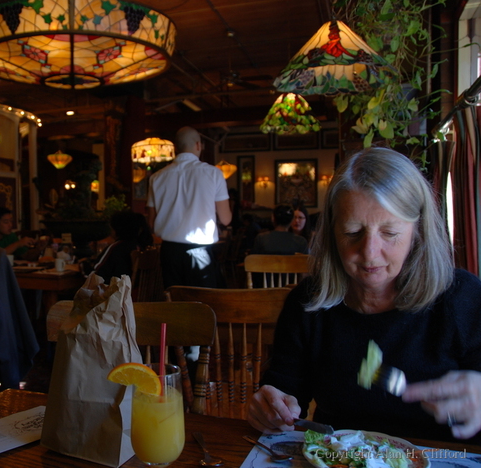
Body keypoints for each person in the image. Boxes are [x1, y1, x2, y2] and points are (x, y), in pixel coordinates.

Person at [248, 148, 481, 444]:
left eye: (390, 232)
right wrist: (270, 406)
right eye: (353, 231)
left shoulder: (463, 300)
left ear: (418, 230)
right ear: (331, 231)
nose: (369, 253)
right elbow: (282, 390)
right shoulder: (307, 304)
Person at [147, 126, 232, 288]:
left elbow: (151, 221)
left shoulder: (157, 178)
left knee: (175, 303)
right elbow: (226, 219)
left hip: (169, 252)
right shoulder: (213, 174)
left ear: (176, 148)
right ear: (198, 145)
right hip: (199, 252)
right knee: (202, 305)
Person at [83, 211, 154, 283]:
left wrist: (82, 266)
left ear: (116, 229)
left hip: (114, 291)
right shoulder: (138, 246)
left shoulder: (115, 248)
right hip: (130, 292)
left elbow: (96, 274)